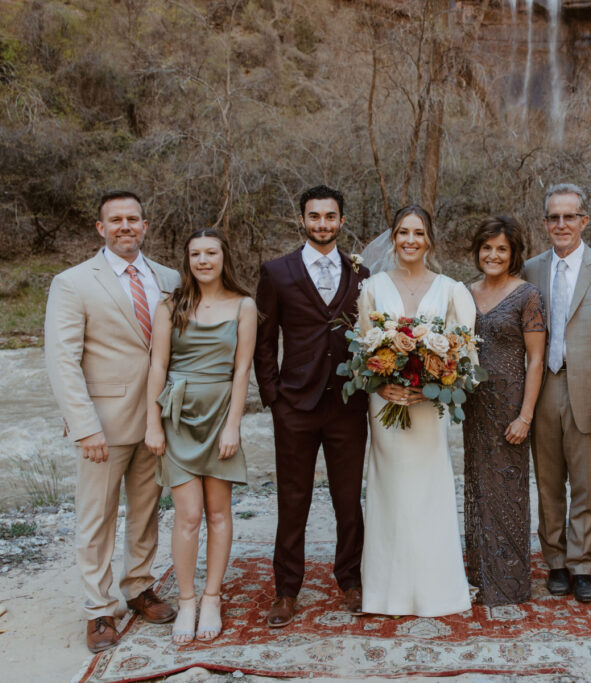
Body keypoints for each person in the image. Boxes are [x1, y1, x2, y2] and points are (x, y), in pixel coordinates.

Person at [44, 190, 180, 653]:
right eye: (115, 220)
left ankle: (138, 587)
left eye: (134, 219)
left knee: (146, 511)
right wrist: (84, 426)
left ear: (145, 225)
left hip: (156, 420)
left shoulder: (169, 278)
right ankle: (99, 610)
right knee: (95, 519)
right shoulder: (74, 282)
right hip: (103, 422)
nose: (126, 226)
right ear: (101, 228)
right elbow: (62, 360)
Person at [255, 185, 370, 628]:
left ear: (342, 221)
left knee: (348, 500)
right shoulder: (277, 272)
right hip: (295, 406)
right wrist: (273, 397)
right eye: (314, 216)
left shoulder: (360, 272)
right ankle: (286, 590)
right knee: (293, 500)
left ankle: (351, 580)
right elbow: (264, 343)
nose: (322, 223)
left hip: (346, 404)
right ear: (301, 220)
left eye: (330, 216)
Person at [358, 205, 475, 617]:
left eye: (418, 233)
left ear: (429, 240)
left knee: (427, 493)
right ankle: (384, 593)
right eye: (403, 232)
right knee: (389, 493)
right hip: (385, 402)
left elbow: (466, 360)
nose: (410, 240)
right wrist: (381, 381)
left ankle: (436, 590)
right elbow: (361, 351)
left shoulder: (451, 290)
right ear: (394, 238)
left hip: (428, 409)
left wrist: (431, 390)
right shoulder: (371, 288)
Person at [522, 183, 591, 603]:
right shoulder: (530, 269)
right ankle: (555, 561)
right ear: (546, 222)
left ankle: (582, 564)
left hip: (589, 390)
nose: (562, 224)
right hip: (544, 386)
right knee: (549, 482)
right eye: (554, 217)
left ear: (584, 220)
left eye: (570, 216)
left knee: (586, 484)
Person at [145, 229, 257, 643]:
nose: (203, 260)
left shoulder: (244, 306)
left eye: (211, 253)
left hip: (219, 418)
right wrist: (152, 422)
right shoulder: (170, 306)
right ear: (187, 260)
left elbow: (242, 371)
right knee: (187, 516)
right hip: (177, 418)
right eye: (195, 254)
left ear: (224, 257)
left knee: (219, 513)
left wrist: (234, 424)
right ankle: (187, 601)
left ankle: (212, 597)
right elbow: (157, 367)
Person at [462, 215, 546, 606]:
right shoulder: (465, 293)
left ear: (513, 254)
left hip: (511, 408)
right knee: (478, 488)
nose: (493, 255)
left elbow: (535, 360)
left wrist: (525, 415)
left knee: (508, 491)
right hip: (474, 406)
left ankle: (509, 582)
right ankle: (479, 572)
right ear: (477, 251)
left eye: (502, 249)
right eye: (487, 248)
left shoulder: (527, 295)